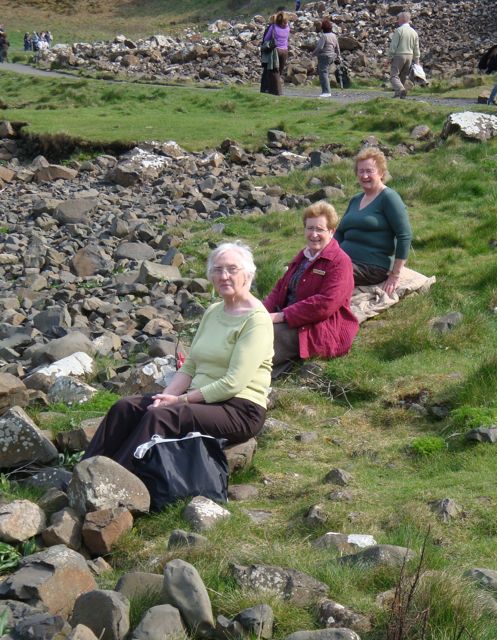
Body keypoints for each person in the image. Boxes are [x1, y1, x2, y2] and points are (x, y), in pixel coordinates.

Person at [82, 242, 274, 472]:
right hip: (203, 401)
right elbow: (190, 365)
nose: (224, 276)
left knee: (162, 417)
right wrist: (165, 396)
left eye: (232, 269)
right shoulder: (213, 311)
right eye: (217, 270)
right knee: (125, 407)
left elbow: (234, 383)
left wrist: (181, 400)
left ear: (248, 274)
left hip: (239, 409)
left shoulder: (256, 320)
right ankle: (84, 471)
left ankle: (114, 480)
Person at [263, 201, 358, 379]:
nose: (314, 234)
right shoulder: (304, 255)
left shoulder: (340, 262)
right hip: (287, 317)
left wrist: (281, 316)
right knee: (245, 327)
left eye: (320, 229)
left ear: (331, 231)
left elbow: (325, 304)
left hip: (318, 327)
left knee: (261, 341)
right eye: (310, 228)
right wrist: (260, 312)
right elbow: (280, 288)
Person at [334, 147, 412, 297]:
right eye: (361, 171)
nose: (364, 176)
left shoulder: (389, 197)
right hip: (344, 260)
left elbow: (405, 235)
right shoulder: (355, 199)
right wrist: (325, 252)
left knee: (328, 272)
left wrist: (395, 275)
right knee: (311, 267)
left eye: (369, 171)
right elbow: (340, 232)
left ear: (382, 173)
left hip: (372, 267)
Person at [388, 11, 420, 99]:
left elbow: (393, 45)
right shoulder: (414, 32)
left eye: (398, 19)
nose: (397, 21)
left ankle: (401, 90)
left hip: (399, 55)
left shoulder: (399, 30)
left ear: (402, 19)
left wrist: (389, 57)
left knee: (393, 76)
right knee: (403, 76)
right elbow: (416, 47)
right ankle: (399, 94)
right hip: (409, 56)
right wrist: (417, 60)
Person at [261, 11, 290, 96]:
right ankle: (272, 90)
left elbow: (266, 39)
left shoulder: (273, 27)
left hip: (276, 51)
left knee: (274, 72)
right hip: (285, 50)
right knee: (279, 72)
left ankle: (278, 92)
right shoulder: (288, 27)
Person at [313, 17, 340, 98]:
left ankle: (326, 92)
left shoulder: (324, 36)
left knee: (323, 73)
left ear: (323, 28)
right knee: (326, 73)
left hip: (324, 56)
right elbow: (337, 47)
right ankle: (327, 90)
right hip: (332, 56)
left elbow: (320, 47)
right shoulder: (334, 36)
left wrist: (313, 53)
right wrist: (339, 56)